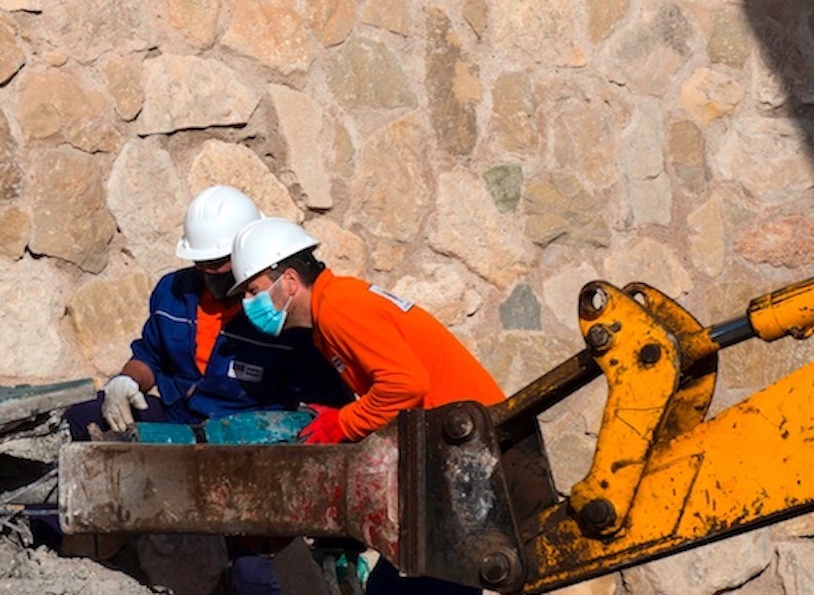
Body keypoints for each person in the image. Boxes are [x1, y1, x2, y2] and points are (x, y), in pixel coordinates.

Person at [63, 186, 352, 595]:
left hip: (245, 446)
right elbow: (150, 355)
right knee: (81, 419)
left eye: (220, 264)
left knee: (253, 570)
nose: (211, 274)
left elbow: (328, 401)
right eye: (203, 264)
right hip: (179, 423)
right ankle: (51, 542)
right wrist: (126, 382)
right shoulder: (172, 293)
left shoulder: (277, 316)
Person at [230, 217, 504, 595]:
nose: (248, 303)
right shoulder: (334, 308)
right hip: (457, 452)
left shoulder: (339, 309)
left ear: (290, 280)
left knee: (419, 581)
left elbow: (406, 384)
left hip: (468, 452)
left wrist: (340, 425)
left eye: (254, 289)